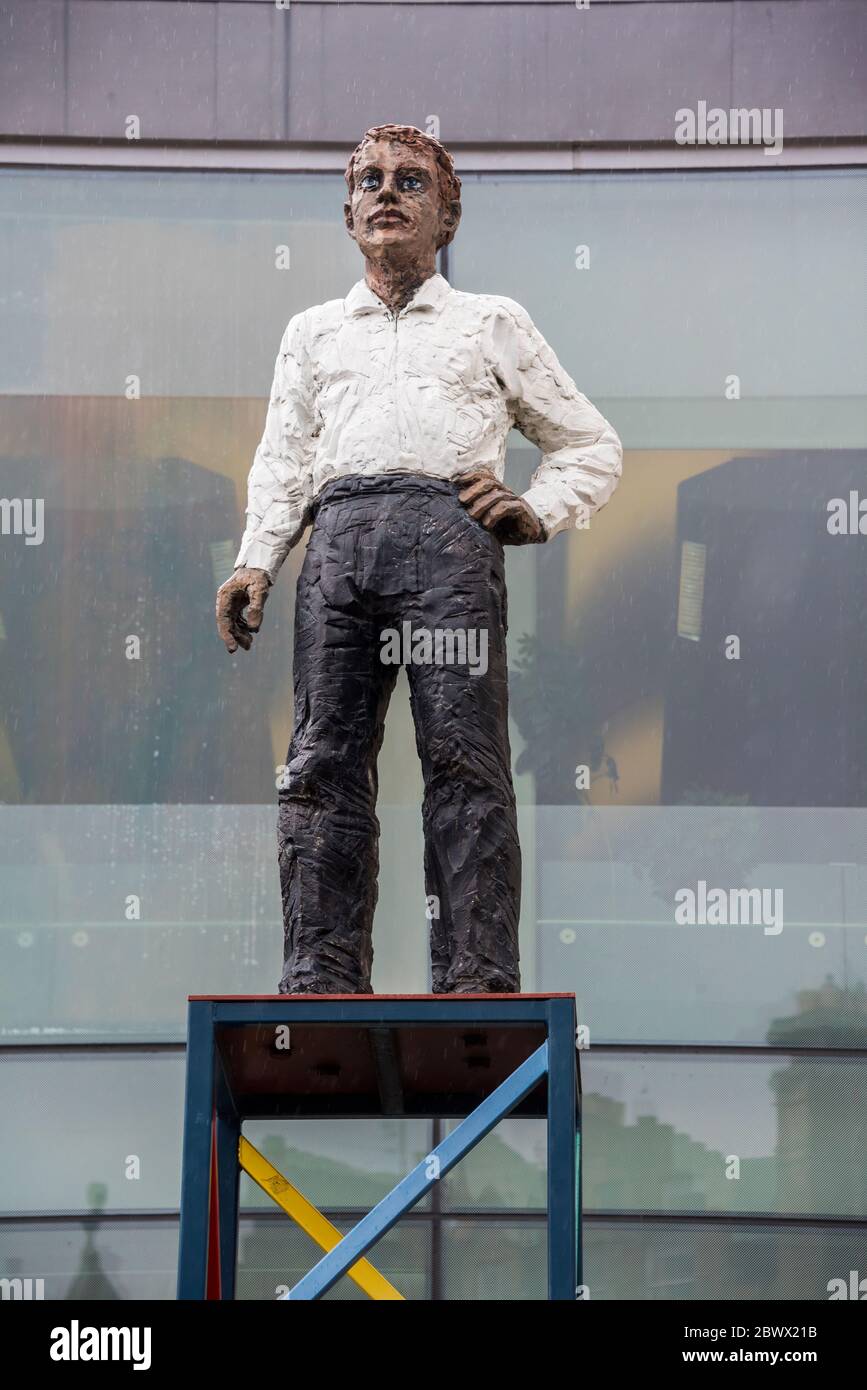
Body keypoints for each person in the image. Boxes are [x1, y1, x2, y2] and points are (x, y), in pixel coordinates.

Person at [216, 124, 622, 995]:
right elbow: (283, 462)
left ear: (447, 213)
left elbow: (589, 445)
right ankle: (319, 973)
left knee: (464, 759)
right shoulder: (313, 332)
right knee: (321, 759)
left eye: (408, 180)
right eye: (369, 180)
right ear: (349, 211)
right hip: (340, 549)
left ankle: (477, 972)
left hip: (448, 546)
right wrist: (257, 561)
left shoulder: (490, 322)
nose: (386, 193)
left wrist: (531, 511)